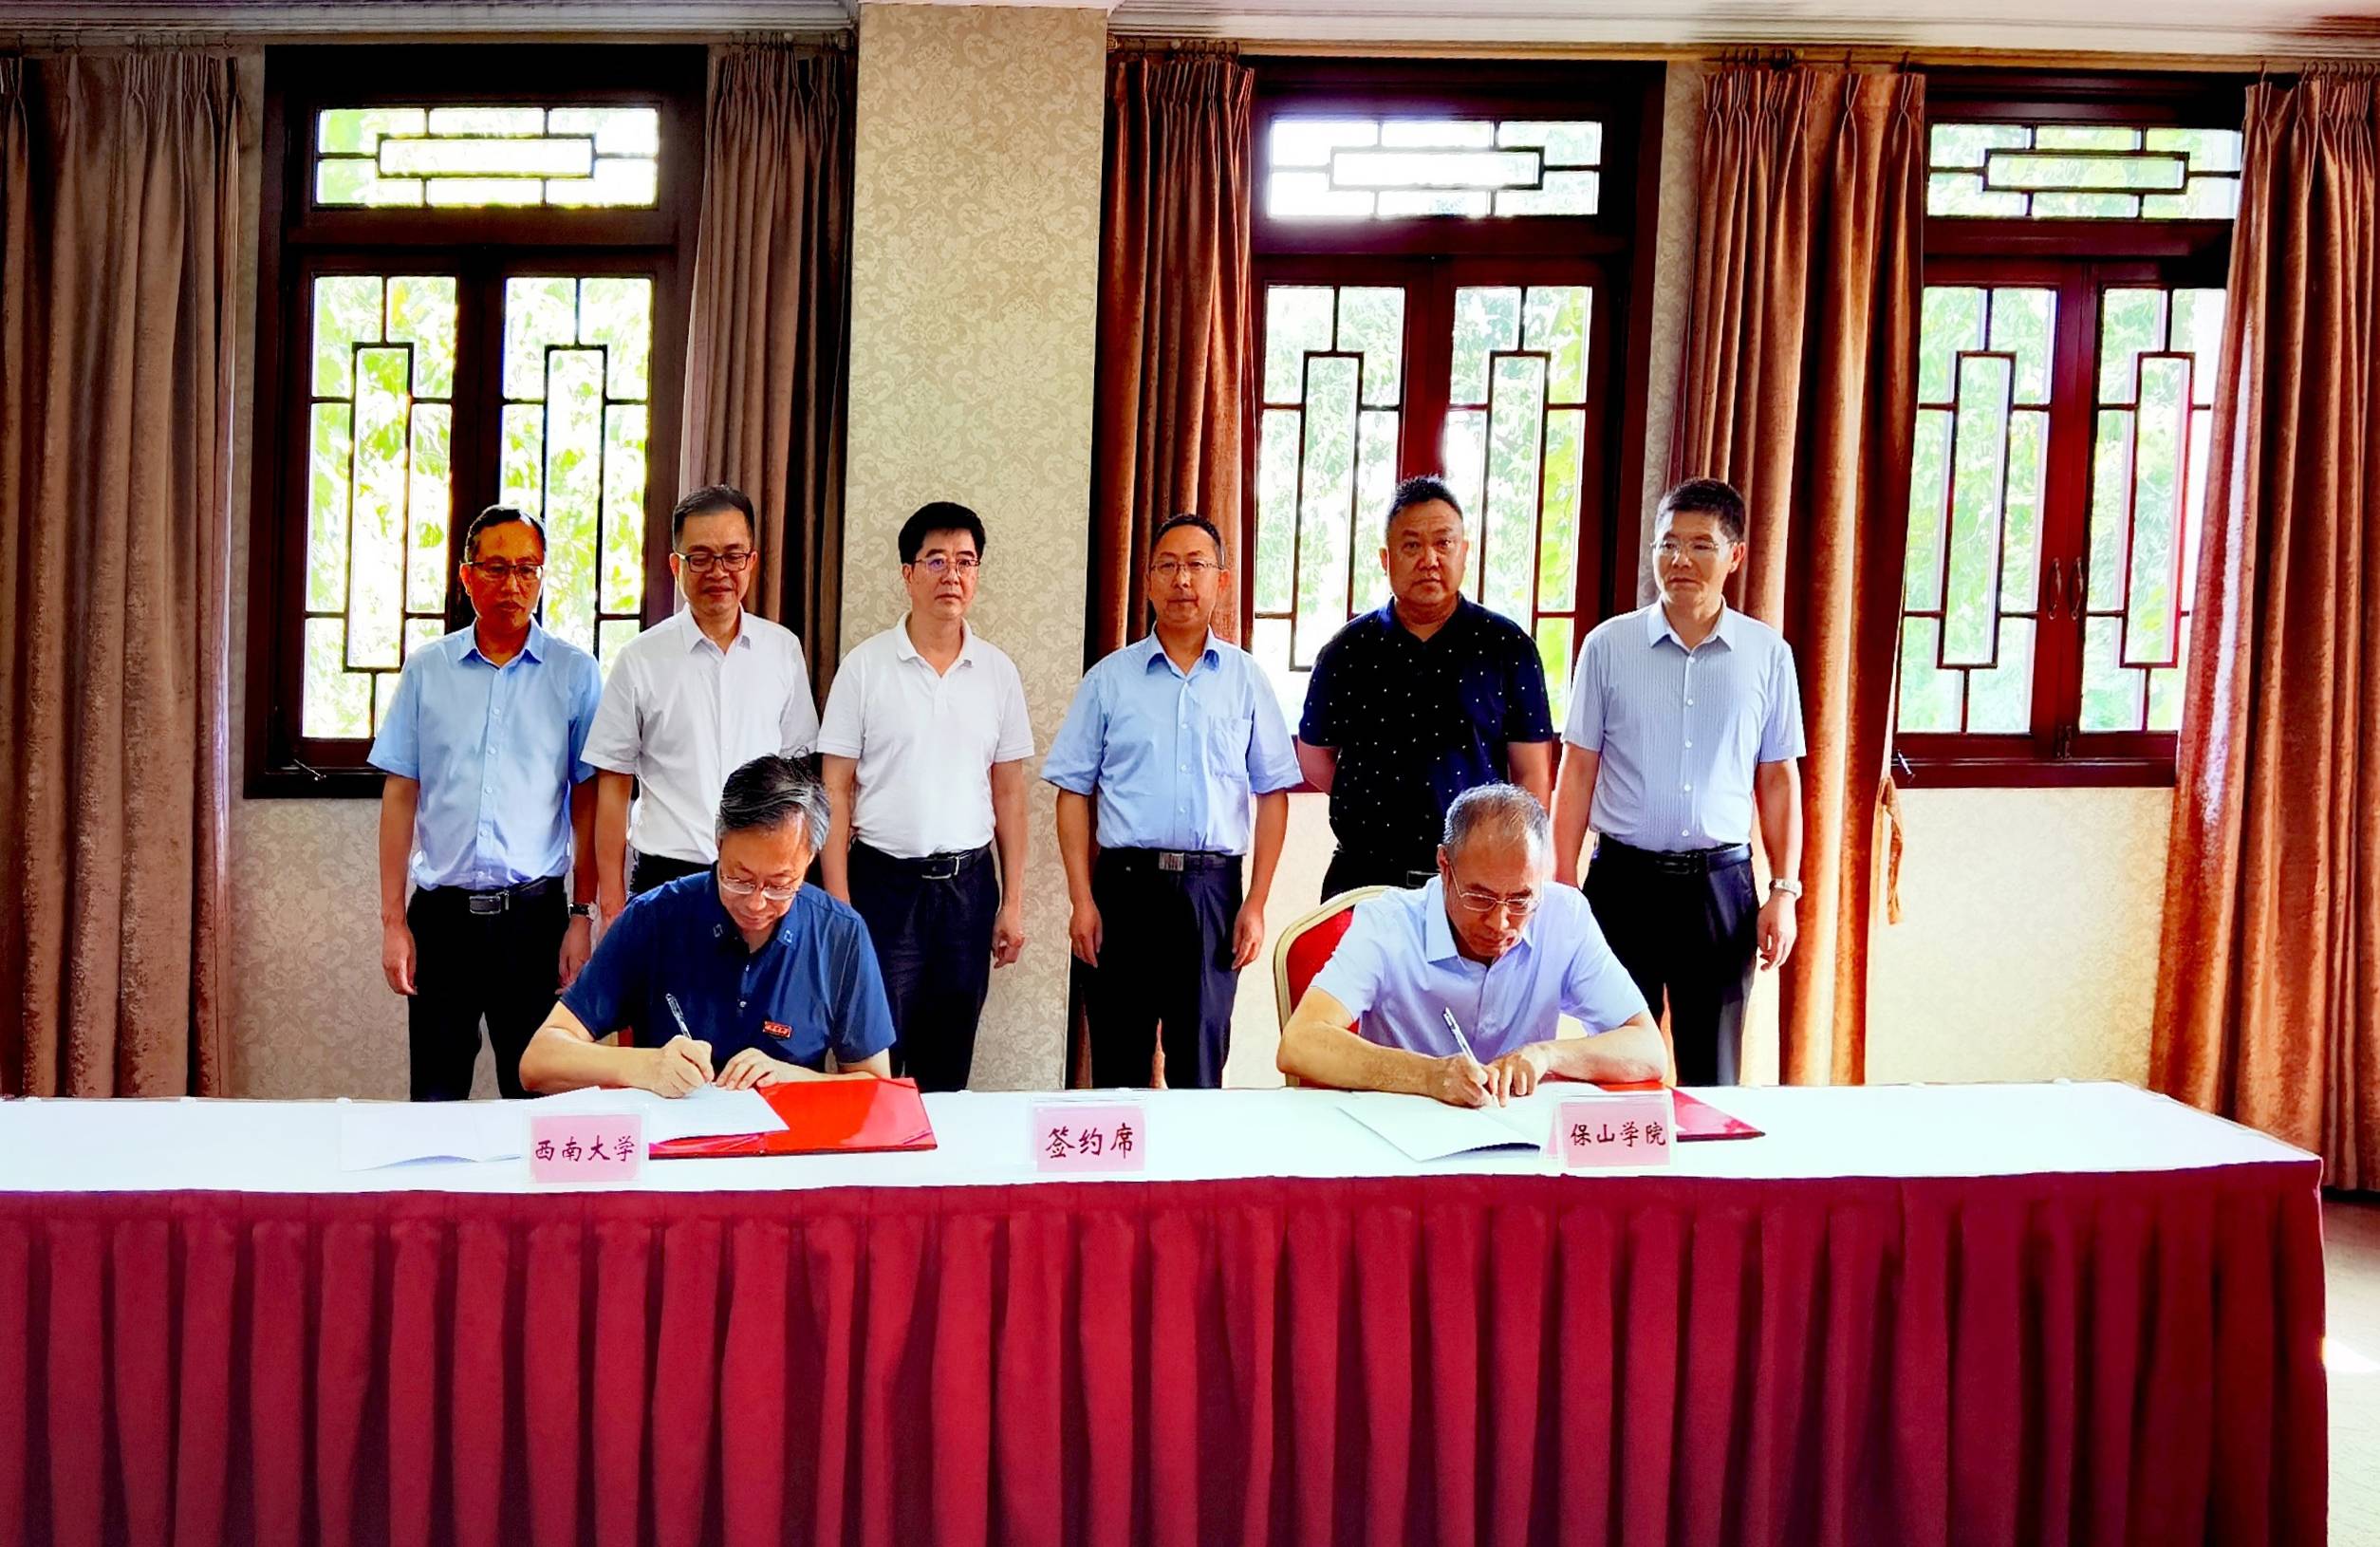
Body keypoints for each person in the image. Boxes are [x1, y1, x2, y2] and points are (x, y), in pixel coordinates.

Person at [1552, 476, 1806, 1087]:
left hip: (1719, 889)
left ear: (1735, 556)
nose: (1680, 560)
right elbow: (1578, 769)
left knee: (1714, 1074)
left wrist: (1784, 891)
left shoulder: (1767, 655)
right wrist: (1562, 883)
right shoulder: (1608, 646)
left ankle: (1709, 1155)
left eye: (1700, 546)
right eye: (1667, 544)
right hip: (1622, 884)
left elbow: (1777, 780)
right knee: (1615, 1066)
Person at [1043, 514, 1300, 1089]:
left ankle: (1195, 1156)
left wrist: (1256, 903)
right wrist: (1082, 900)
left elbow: (1273, 795)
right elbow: (1072, 791)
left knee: (1200, 1068)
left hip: (1212, 894)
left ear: (1221, 581)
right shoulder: (1109, 680)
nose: (1182, 579)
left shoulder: (1245, 680)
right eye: (1168, 566)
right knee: (1119, 1067)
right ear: (1149, 581)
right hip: (1124, 890)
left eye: (1196, 565)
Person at [369, 505, 605, 1101]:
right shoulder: (428, 670)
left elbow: (588, 804)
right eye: (496, 568)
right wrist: (394, 923)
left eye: (528, 569)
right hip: (441, 921)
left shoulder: (574, 674)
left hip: (533, 922)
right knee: (436, 1097)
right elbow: (399, 797)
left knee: (537, 1097)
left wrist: (582, 917)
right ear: (467, 576)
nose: (513, 585)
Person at [518, 755, 895, 1095]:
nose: (756, 902)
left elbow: (877, 1087)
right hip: (674, 1139)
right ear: (718, 841)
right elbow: (538, 1061)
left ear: (809, 858)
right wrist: (645, 1065)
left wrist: (793, 1079)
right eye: (739, 878)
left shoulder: (839, 934)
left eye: (780, 885)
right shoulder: (655, 918)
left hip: (787, 1141)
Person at [817, 501, 1032, 1091]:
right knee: (871, 1064)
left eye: (965, 561)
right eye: (936, 560)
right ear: (908, 573)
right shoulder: (865, 668)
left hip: (968, 892)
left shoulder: (998, 673)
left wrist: (1013, 902)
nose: (952, 575)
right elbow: (834, 789)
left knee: (949, 1063)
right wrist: (840, 905)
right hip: (883, 887)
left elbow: (1010, 794)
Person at [1277, 784, 1663, 1107]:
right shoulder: (1387, 924)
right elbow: (1301, 1042)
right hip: (1403, 1137)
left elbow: (1648, 1049)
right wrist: (1428, 1076)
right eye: (1480, 897)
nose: (1499, 922)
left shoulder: (1565, 917)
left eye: (1520, 900)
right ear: (1445, 868)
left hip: (1519, 1141)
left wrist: (1546, 1055)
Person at [1295, 474, 1556, 898]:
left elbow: (1531, 774)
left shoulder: (1507, 648)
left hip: (1472, 883)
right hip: (1363, 879)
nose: (1429, 559)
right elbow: (1315, 759)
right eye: (1412, 545)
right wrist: (1376, 800)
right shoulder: (1347, 651)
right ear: (1386, 559)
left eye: (1443, 543)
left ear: (1464, 551)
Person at [586, 484, 820, 918]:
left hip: (761, 881)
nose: (718, 571)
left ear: (752, 561)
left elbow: (797, 771)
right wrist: (612, 903)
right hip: (666, 880)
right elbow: (613, 786)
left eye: (732, 556)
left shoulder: (783, 650)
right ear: (676, 565)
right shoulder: (639, 659)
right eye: (701, 557)